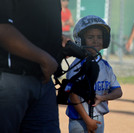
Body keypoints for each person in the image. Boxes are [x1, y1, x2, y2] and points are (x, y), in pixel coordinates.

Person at [0, 0, 63, 133]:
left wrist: (58, 47)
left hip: (43, 81)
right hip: (11, 77)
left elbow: (34, 27)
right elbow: (2, 28)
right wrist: (44, 59)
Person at [66, 15, 123, 133]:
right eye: (90, 37)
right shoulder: (77, 65)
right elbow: (73, 95)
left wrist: (103, 98)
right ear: (80, 39)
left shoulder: (105, 66)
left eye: (99, 37)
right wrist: (88, 121)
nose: (96, 40)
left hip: (99, 119)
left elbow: (118, 91)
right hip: (80, 120)